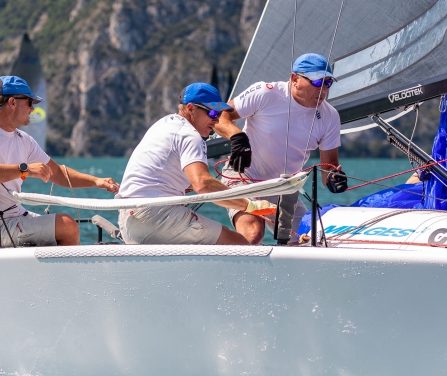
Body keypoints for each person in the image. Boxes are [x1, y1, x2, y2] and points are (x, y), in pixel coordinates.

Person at [0, 75, 119, 248]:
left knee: (65, 226)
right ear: (12, 103)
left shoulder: (24, 140)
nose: (33, 109)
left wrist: (96, 181)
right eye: (29, 103)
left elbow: (57, 173)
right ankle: (69, 276)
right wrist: (25, 169)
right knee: (66, 225)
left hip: (14, 217)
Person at [213, 53, 349, 245]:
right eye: (318, 83)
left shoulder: (330, 116)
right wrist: (237, 137)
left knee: (311, 242)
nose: (323, 90)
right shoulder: (266, 93)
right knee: (253, 232)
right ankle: (220, 258)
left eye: (328, 83)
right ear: (295, 79)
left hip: (283, 187)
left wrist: (335, 179)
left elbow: (329, 168)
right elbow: (218, 114)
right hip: (244, 175)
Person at [117, 83, 275, 245]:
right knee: (241, 245)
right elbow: (203, 185)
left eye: (219, 114)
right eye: (212, 113)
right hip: (157, 217)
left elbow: (165, 177)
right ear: (191, 108)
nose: (216, 120)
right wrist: (250, 206)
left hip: (127, 220)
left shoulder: (163, 124)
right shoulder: (190, 135)